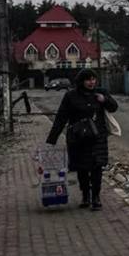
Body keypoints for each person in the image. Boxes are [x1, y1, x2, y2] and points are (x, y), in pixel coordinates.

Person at [46, 68, 118, 211]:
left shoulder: (101, 93)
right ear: (81, 81)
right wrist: (52, 138)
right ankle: (85, 195)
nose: (92, 82)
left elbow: (114, 107)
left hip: (97, 137)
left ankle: (96, 197)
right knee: (82, 169)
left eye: (93, 79)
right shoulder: (71, 96)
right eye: (88, 79)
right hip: (78, 138)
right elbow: (61, 117)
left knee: (97, 168)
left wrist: (105, 100)